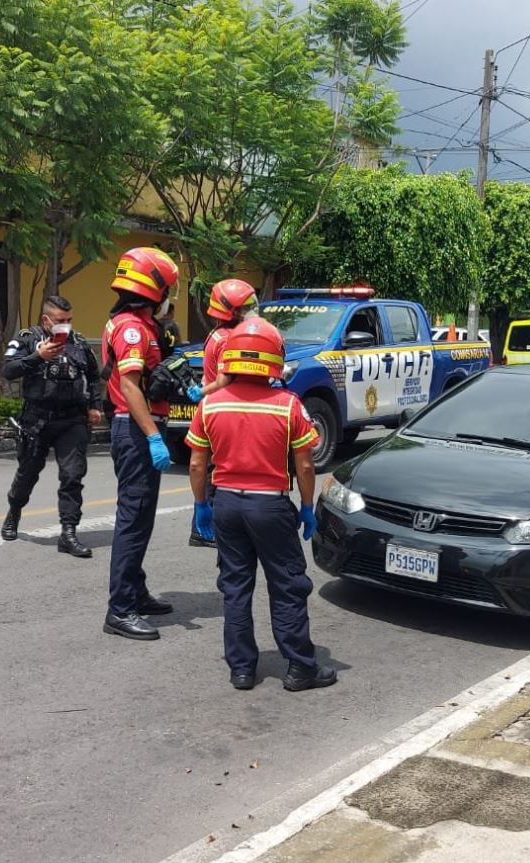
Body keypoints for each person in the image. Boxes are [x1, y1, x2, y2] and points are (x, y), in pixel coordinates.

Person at [186, 319, 336, 692]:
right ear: (274, 360)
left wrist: (201, 504)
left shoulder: (210, 405)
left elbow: (196, 464)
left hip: (225, 505)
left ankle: (241, 669)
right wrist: (305, 506)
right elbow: (304, 464)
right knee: (287, 585)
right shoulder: (289, 406)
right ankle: (300, 668)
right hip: (269, 506)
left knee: (235, 587)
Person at [101, 247, 181, 640]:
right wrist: (153, 436)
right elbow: (130, 387)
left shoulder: (139, 324)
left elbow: (149, 379)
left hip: (141, 427)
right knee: (133, 520)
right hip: (135, 431)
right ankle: (120, 610)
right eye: (168, 289)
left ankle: (135, 590)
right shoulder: (132, 328)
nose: (171, 298)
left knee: (142, 516)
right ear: (153, 290)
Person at [0, 295, 103, 557]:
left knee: (72, 476)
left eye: (69, 320)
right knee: (27, 474)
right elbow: (9, 370)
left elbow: (92, 375)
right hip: (37, 420)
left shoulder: (78, 343)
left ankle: (68, 533)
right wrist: (37, 356)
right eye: (60, 321)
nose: (66, 326)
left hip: (72, 420)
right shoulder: (27, 339)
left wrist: (95, 406)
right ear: (46, 320)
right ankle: (14, 511)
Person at [185, 278, 259, 548]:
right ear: (232, 311)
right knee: (220, 470)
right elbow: (226, 379)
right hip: (223, 409)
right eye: (246, 307)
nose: (252, 311)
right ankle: (205, 529)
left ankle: (203, 527)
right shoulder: (230, 339)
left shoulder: (215, 334)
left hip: (214, 408)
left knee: (211, 467)